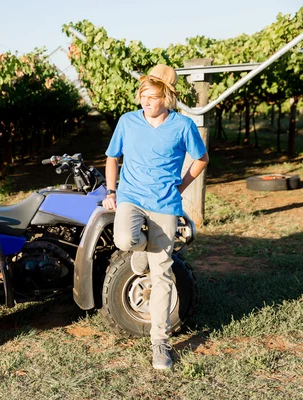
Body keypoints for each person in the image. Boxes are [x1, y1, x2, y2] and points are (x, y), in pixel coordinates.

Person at [101, 64, 209, 370]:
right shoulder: (128, 121)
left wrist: (182, 185)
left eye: (151, 95)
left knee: (162, 274)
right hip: (131, 197)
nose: (145, 101)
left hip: (164, 203)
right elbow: (112, 157)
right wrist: (112, 191)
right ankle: (140, 253)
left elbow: (202, 159)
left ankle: (160, 342)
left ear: (167, 97)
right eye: (142, 95)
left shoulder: (182, 126)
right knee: (124, 239)